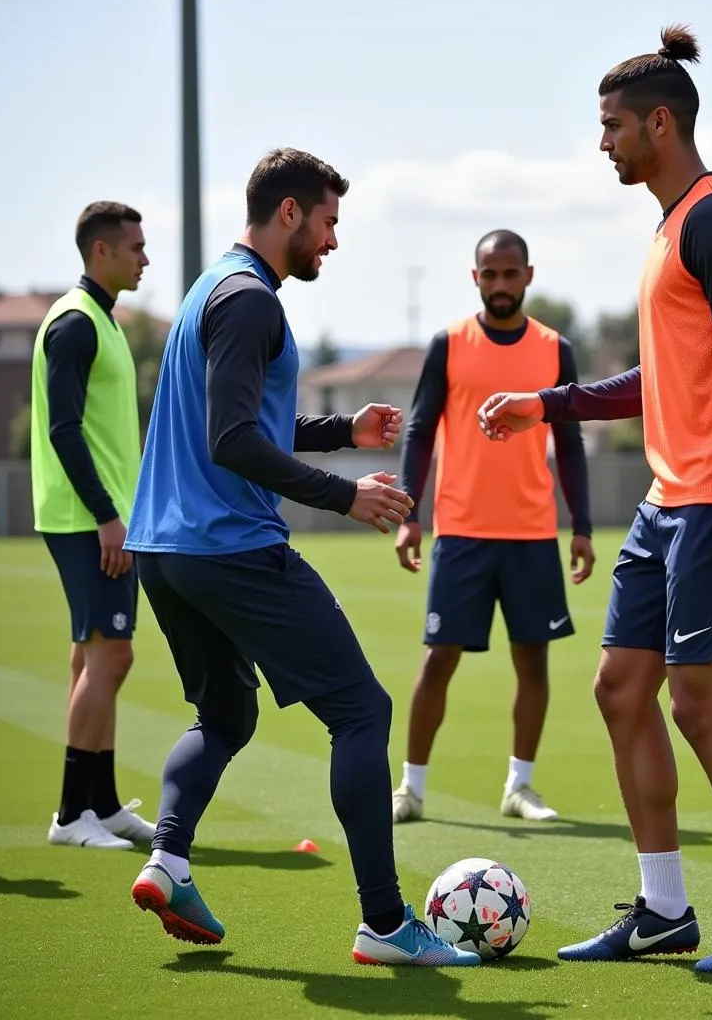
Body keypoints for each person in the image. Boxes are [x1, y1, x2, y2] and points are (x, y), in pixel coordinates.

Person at [477, 25, 712, 974]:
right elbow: (660, 378)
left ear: (658, 123)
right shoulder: (670, 228)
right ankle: (665, 909)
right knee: (621, 687)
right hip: (672, 501)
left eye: (612, 126)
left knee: (700, 708)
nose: (603, 144)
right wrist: (550, 403)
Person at [122, 148, 479, 967]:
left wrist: (342, 430)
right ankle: (387, 925)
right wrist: (344, 493)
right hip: (228, 546)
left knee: (226, 716)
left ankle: (169, 861)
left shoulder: (213, 289)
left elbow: (241, 421)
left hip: (164, 552)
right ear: (289, 214)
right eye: (328, 224)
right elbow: (232, 440)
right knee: (361, 710)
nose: (333, 242)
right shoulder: (252, 303)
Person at [391, 229, 595, 825]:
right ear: (475, 277)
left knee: (533, 663)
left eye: (511, 274)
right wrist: (410, 513)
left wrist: (580, 524)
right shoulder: (448, 344)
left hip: (533, 533)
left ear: (528, 275)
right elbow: (421, 431)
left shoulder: (556, 349)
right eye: (490, 274)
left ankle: (519, 787)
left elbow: (572, 439)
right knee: (439, 659)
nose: (501, 284)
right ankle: (410, 788)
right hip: (461, 533)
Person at [31, 201, 156, 851]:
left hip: (100, 518)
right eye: (135, 246)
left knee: (93, 655)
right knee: (112, 655)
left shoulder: (101, 319)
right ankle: (71, 813)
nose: (145, 256)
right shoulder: (76, 323)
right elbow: (60, 429)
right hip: (88, 520)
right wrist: (108, 516)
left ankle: (101, 806)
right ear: (101, 251)